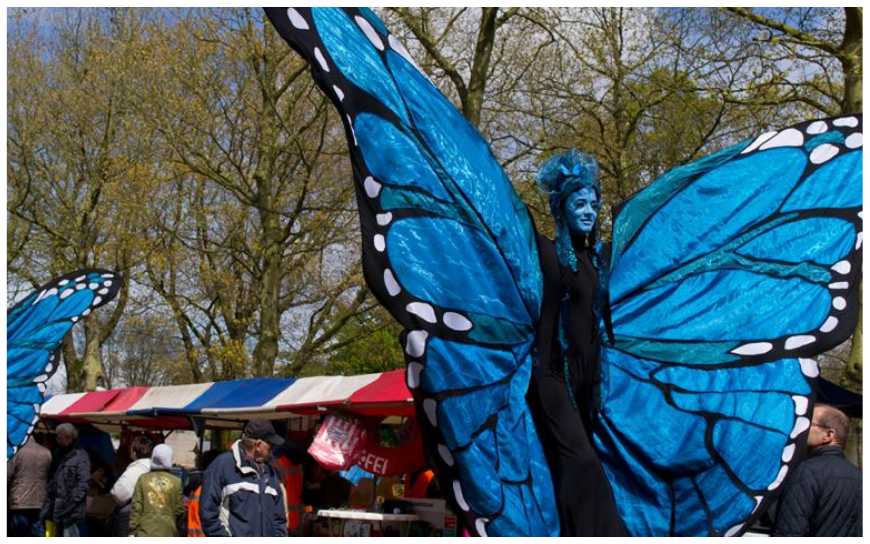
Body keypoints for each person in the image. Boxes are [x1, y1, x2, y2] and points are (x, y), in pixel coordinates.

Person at [527, 149, 627, 536]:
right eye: (579, 203)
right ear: (561, 208)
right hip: (550, 376)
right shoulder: (548, 255)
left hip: (590, 384)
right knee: (581, 462)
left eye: (593, 204)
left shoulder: (599, 262)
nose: (589, 210)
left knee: (579, 465)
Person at [773, 404, 862, 536]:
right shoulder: (860, 477)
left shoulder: (806, 471)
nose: (800, 428)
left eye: (808, 423)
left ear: (828, 435)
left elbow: (788, 532)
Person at [199, 419, 288, 537]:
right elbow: (208, 514)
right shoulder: (222, 466)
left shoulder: (270, 472)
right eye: (270, 444)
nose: (273, 448)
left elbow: (279, 519)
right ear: (258, 445)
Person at [39, 423, 91, 537]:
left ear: (69, 438)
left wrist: (71, 503)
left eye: (60, 437)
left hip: (70, 512)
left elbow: (83, 483)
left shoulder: (80, 456)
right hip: (54, 509)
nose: (58, 440)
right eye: (57, 437)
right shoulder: (58, 452)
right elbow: (52, 477)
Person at [129, 444, 184, 537]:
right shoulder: (177, 482)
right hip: (168, 532)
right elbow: (179, 510)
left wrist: (132, 531)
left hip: (144, 532)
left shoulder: (142, 479)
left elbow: (136, 507)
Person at [109, 434, 154, 536]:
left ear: (134, 452)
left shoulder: (136, 469)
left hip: (133, 520)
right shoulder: (156, 469)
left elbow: (119, 493)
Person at [8, 435, 52, 537]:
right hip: (40, 499)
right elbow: (49, 474)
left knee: (19, 533)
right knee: (37, 531)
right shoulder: (46, 452)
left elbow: (7, 474)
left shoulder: (17, 452)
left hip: (20, 500)